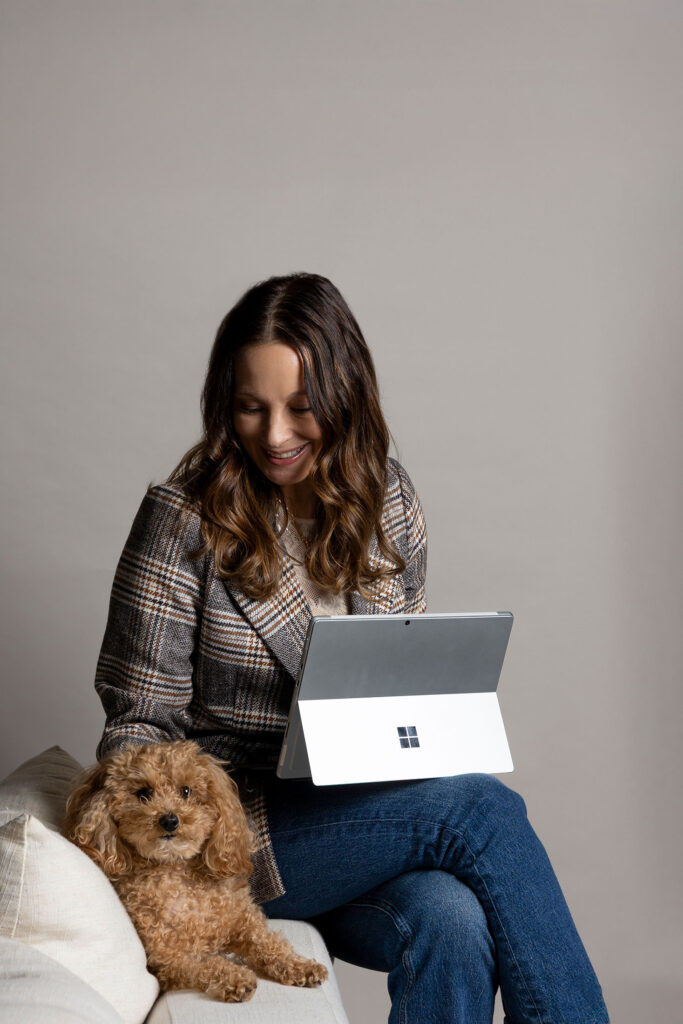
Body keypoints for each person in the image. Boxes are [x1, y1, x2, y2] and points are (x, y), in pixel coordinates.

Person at [95, 272, 609, 1024]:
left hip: (364, 818)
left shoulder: (388, 501)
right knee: (480, 809)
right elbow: (136, 726)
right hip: (241, 835)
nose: (275, 435)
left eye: (301, 408)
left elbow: (405, 683)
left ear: (346, 398)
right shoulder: (182, 521)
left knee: (452, 920)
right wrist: (181, 820)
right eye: (251, 407)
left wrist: (430, 727)